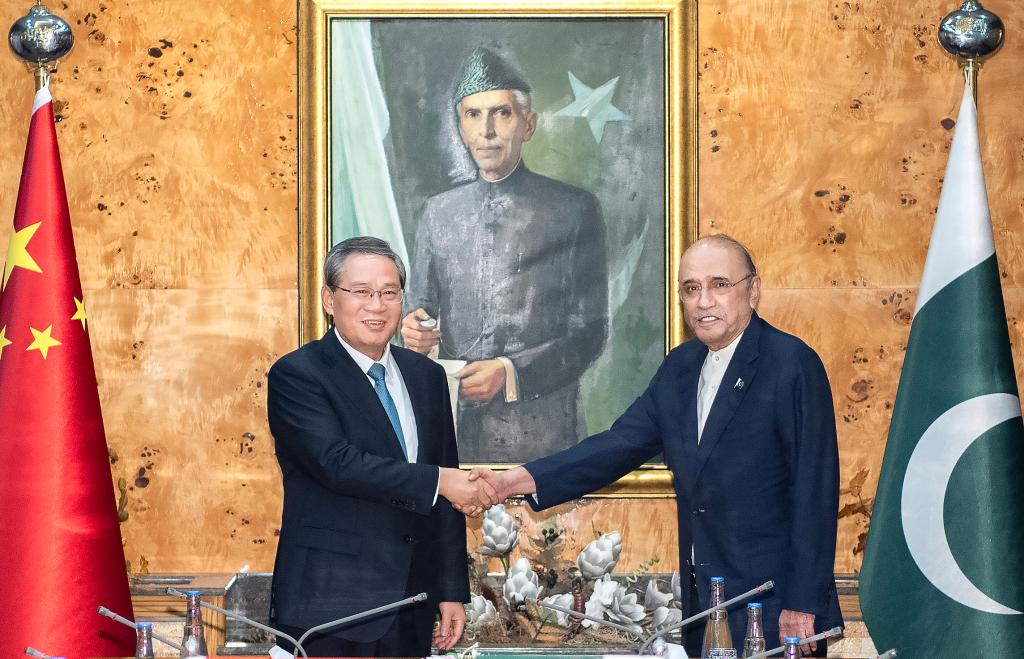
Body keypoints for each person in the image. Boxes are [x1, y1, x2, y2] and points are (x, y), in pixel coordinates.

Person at [471, 235, 843, 656]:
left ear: (753, 290)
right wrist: (512, 481)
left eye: (720, 284)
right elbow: (617, 445)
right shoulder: (680, 368)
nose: (704, 301)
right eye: (691, 288)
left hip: (774, 608)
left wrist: (804, 603)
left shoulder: (791, 363)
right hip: (706, 606)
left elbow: (815, 490)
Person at [266, 236, 496, 657]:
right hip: (330, 605)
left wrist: (450, 590)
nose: (377, 305)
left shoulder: (426, 377)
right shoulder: (298, 374)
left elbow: (444, 484)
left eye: (389, 293)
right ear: (330, 299)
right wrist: (440, 481)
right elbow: (336, 464)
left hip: (411, 603)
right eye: (361, 291)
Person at [401, 47, 608, 463]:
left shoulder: (574, 209)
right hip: (453, 432)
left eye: (502, 113)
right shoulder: (437, 213)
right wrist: (412, 330)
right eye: (473, 115)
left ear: (528, 124)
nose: (487, 131)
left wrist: (511, 373)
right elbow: (420, 308)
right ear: (460, 127)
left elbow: (589, 333)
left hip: (545, 439)